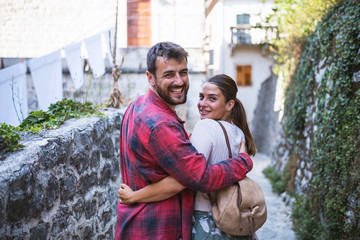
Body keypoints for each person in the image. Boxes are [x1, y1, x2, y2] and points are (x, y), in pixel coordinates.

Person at [115, 42, 253, 240]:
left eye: (183, 72)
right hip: (155, 228)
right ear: (150, 78)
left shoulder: (138, 105)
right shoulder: (161, 124)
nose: (179, 81)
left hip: (138, 222)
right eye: (169, 74)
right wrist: (243, 162)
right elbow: (201, 178)